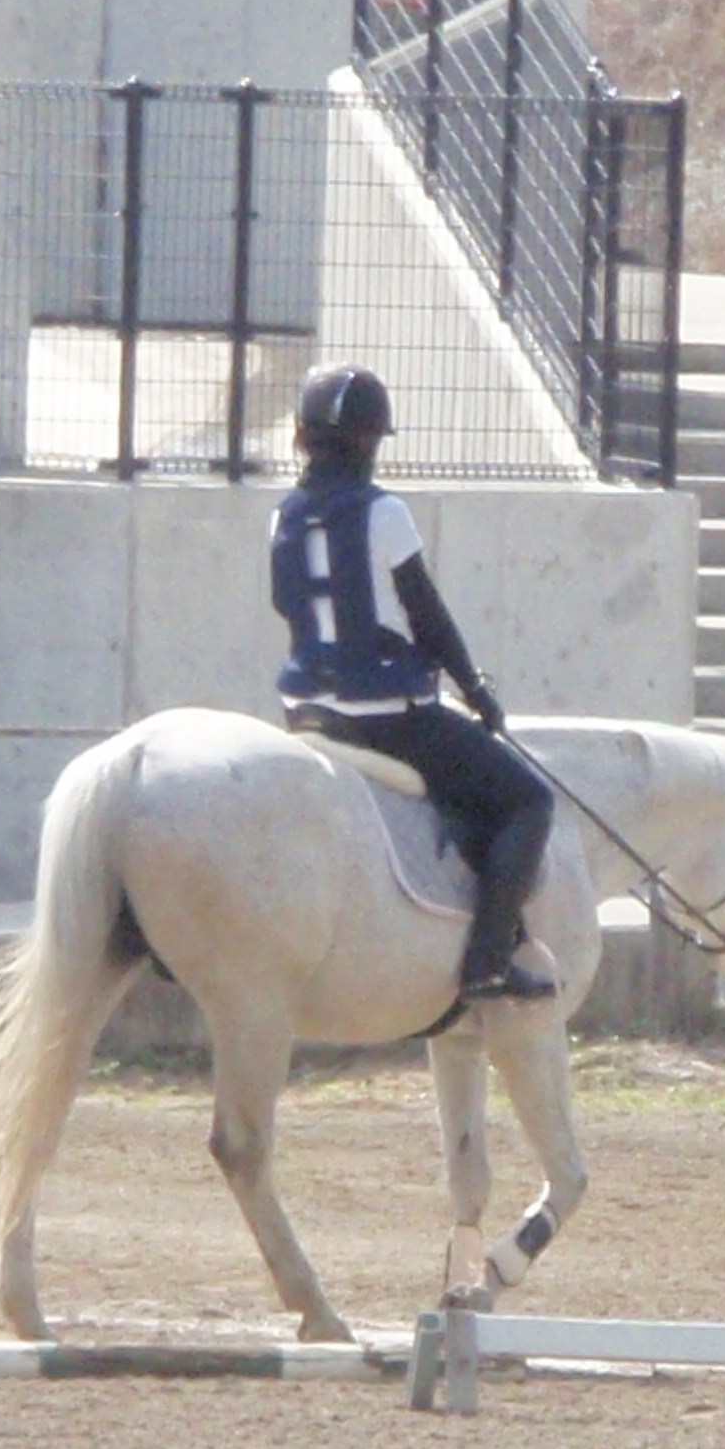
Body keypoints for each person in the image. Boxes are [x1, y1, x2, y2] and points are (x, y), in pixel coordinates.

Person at [269, 362, 556, 1000]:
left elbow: (287, 608)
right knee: (528, 802)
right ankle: (488, 962)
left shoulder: (282, 516)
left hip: (305, 711)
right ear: (369, 441)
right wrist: (475, 692)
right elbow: (426, 614)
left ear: (303, 437)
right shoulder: (384, 512)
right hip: (385, 719)